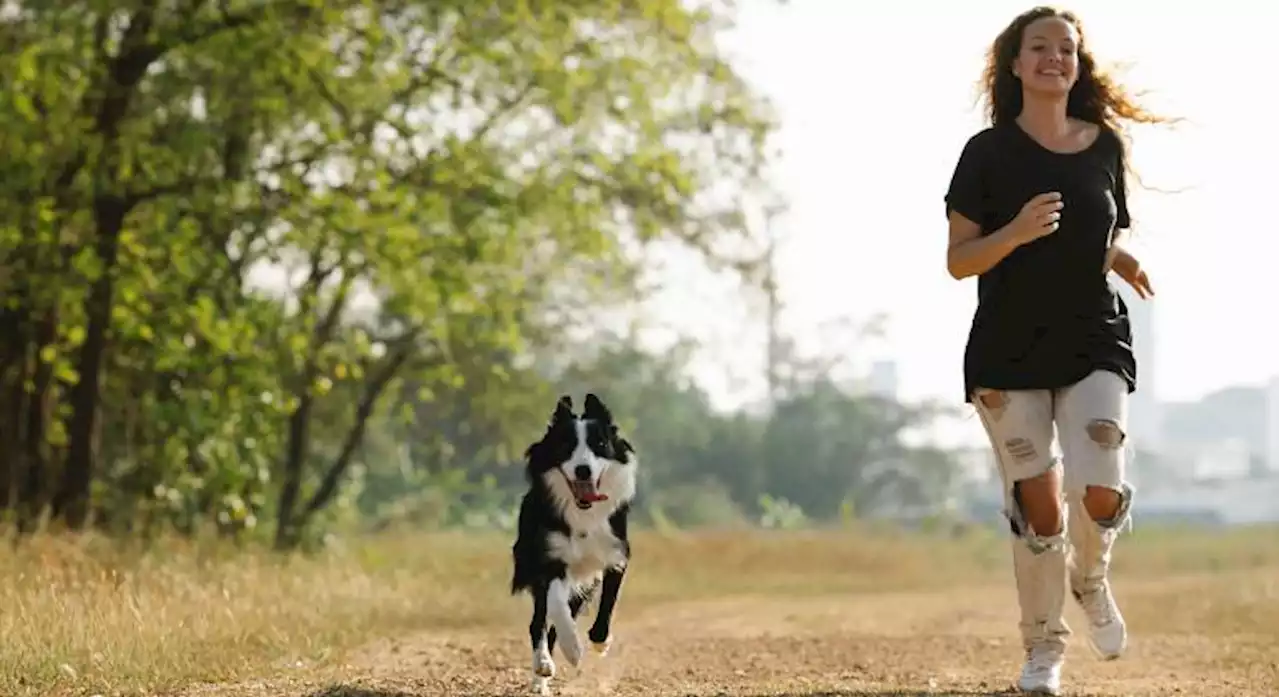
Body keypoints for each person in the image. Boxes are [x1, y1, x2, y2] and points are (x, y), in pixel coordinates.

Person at [943, 6, 1169, 696]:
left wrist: (1117, 254)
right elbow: (959, 261)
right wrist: (1012, 232)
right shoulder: (987, 153)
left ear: (1078, 63)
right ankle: (1043, 650)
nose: (1053, 58)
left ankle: (1091, 577)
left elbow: (1088, 229)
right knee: (1040, 506)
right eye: (1038, 47)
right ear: (1015, 65)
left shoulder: (1103, 146)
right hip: (1008, 347)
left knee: (1099, 485)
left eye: (1065, 48)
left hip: (1091, 335)